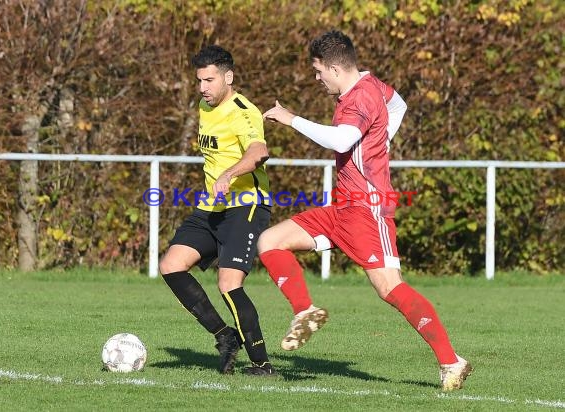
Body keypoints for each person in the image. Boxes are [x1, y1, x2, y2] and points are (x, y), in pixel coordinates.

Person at [258, 30, 472, 390]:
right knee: (270, 241)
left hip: (367, 211)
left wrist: (292, 119)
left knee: (390, 288)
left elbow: (342, 139)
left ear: (335, 67)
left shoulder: (355, 99)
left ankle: (451, 362)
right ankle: (304, 310)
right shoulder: (374, 85)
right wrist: (381, 140)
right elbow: (399, 105)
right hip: (343, 207)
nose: (317, 78)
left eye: (318, 71)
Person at [159, 45, 275, 376]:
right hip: (212, 206)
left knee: (228, 283)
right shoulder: (203, 106)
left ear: (228, 77)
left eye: (209, 80)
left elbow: (259, 151)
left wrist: (228, 174)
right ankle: (225, 337)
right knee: (171, 265)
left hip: (245, 206)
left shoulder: (243, 111)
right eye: (199, 81)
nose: (203, 88)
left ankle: (262, 365)